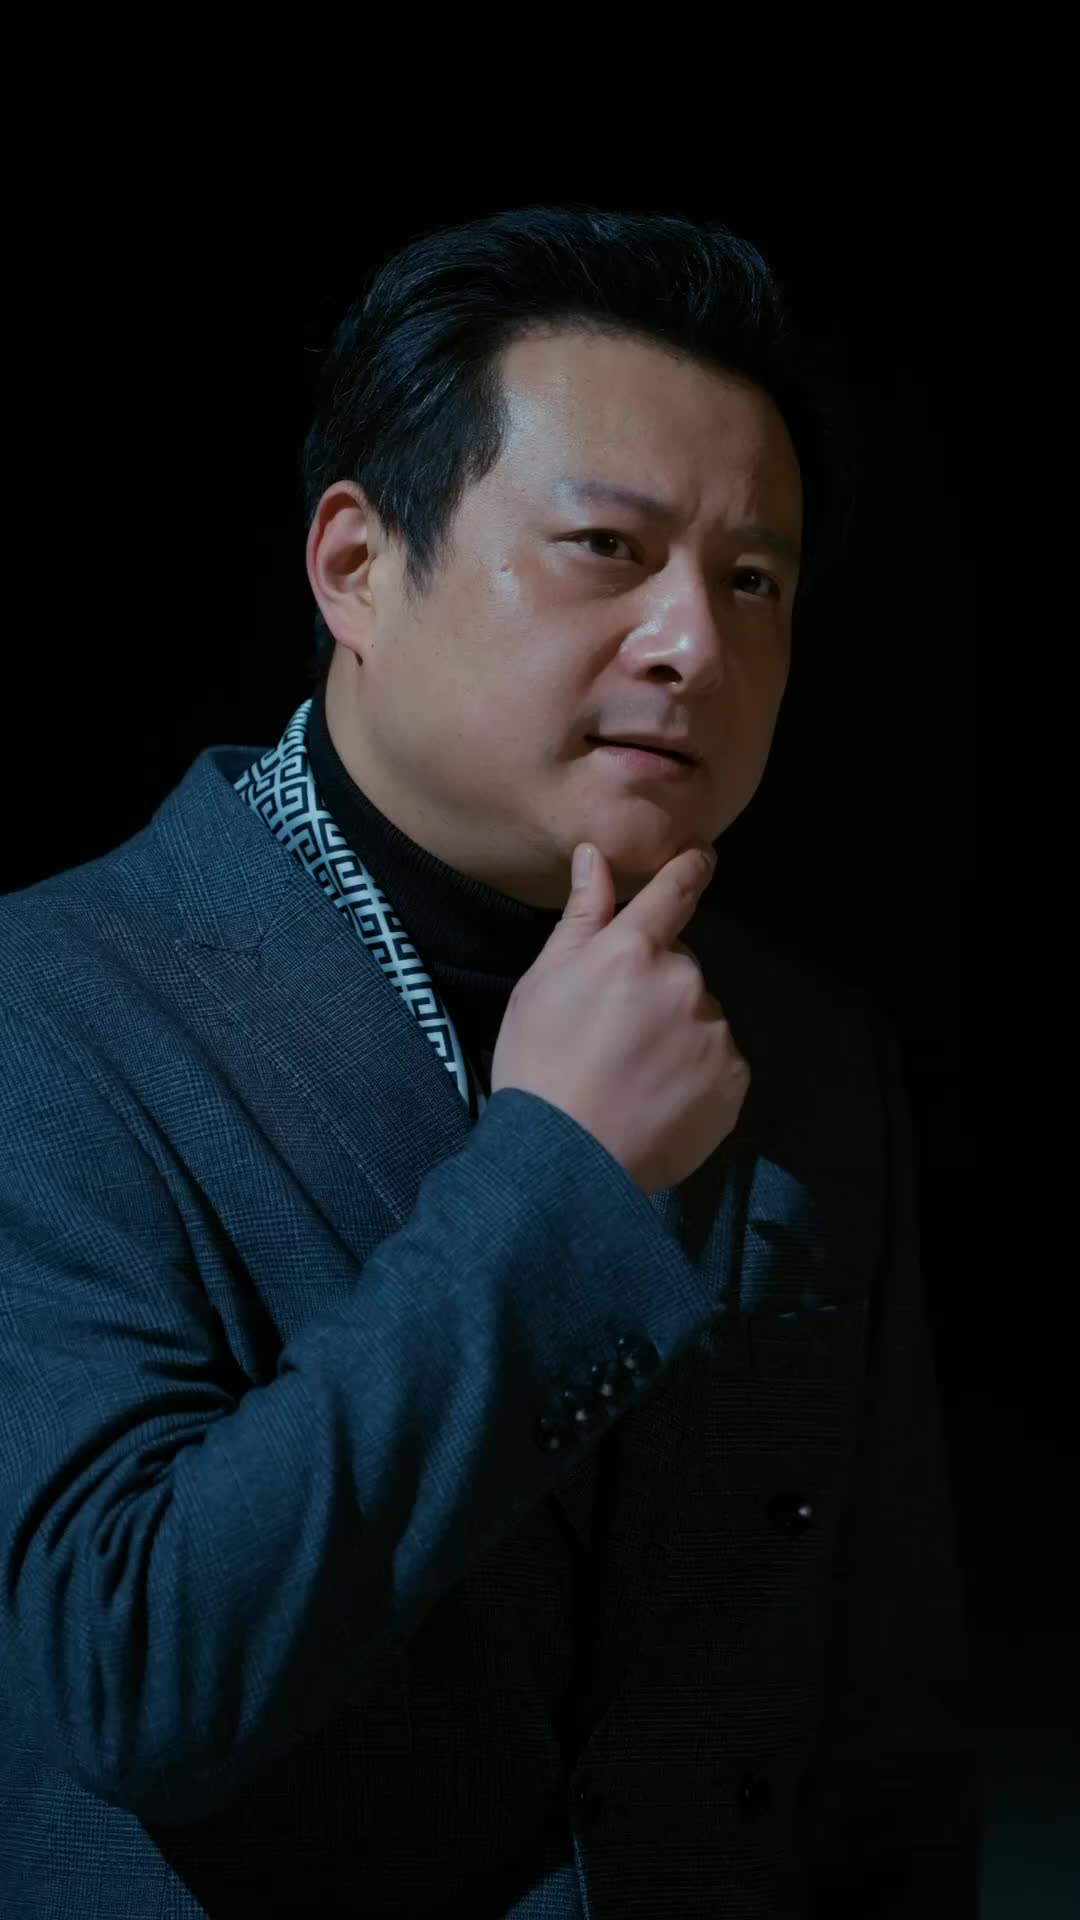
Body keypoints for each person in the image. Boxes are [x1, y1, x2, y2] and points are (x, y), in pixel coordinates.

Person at [0, 205, 979, 1916]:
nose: (694, 642)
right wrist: (560, 1174)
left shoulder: (805, 1047)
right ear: (356, 567)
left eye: (754, 581)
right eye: (608, 546)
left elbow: (880, 1731)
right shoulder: (55, 1003)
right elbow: (140, 1669)